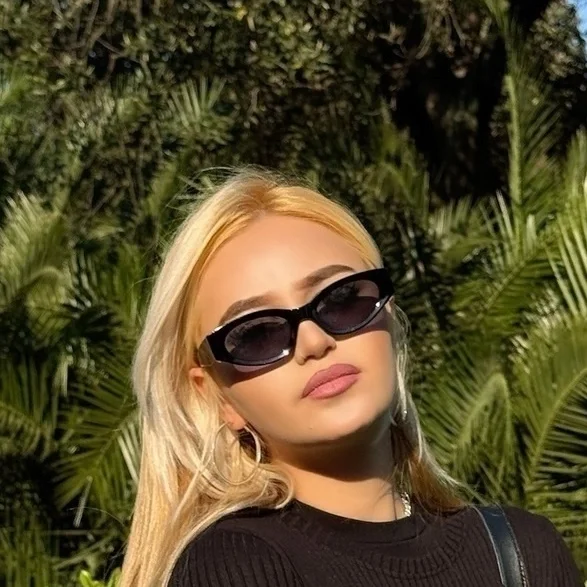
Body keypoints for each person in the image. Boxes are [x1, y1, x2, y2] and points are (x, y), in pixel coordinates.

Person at [120, 169, 582, 587]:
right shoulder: (233, 566)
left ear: (390, 318)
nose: (314, 341)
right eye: (257, 333)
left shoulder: (524, 552)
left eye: (342, 300)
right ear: (217, 395)